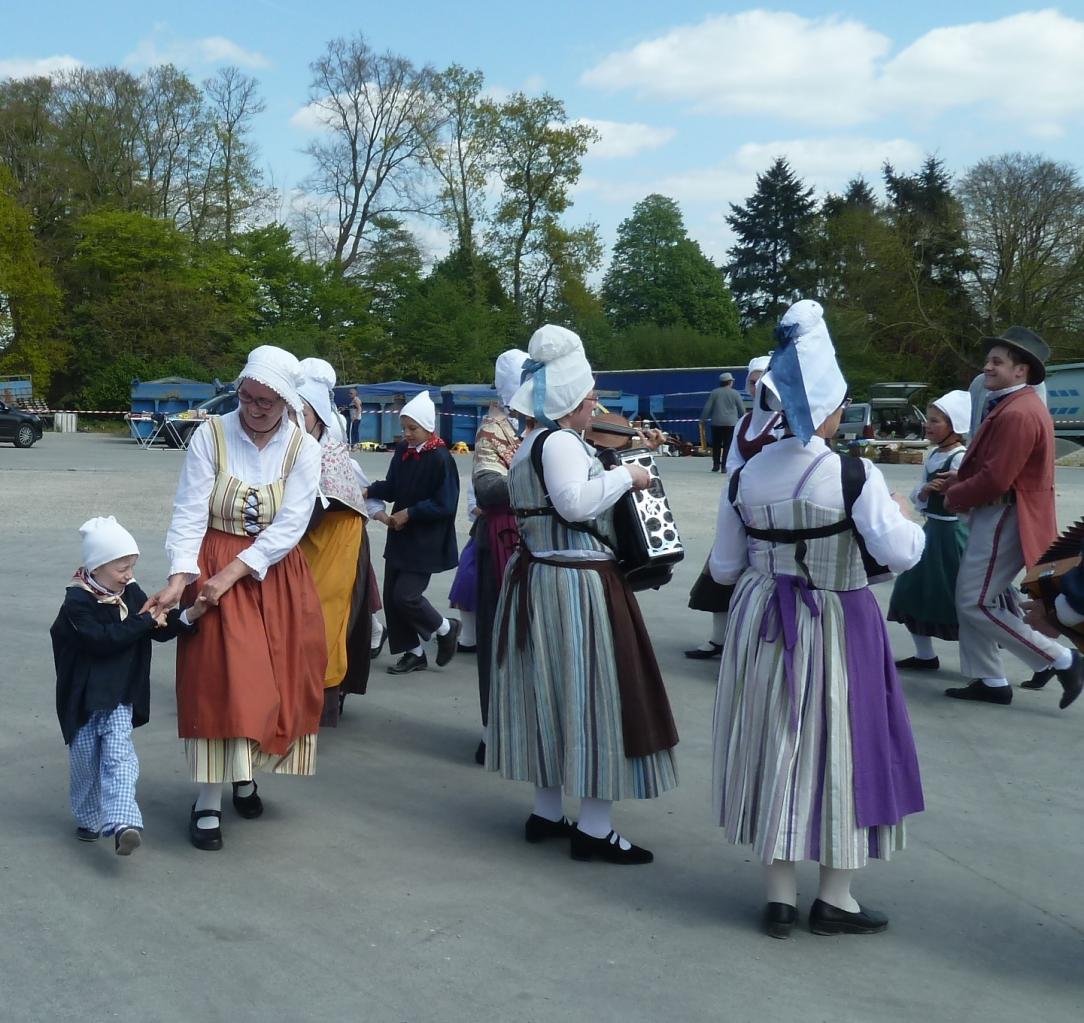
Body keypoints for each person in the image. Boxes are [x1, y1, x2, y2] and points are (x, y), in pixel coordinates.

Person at [709, 300, 926, 938]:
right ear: (830, 408)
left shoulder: (745, 475)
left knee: (772, 744)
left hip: (762, 620)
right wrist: (901, 514)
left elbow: (724, 568)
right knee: (846, 748)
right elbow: (902, 553)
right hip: (841, 620)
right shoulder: (853, 474)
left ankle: (778, 896)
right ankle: (836, 898)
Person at [488, 324, 679, 864]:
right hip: (577, 587)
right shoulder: (564, 442)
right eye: (590, 395)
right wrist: (631, 479)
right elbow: (575, 504)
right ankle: (594, 829)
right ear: (572, 399)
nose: (594, 404)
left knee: (549, 694)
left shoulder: (530, 442)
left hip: (540, 578)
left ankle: (546, 812)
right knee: (596, 699)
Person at [149, 345, 326, 852]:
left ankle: (245, 774)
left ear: (286, 402)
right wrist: (183, 573)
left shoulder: (302, 447)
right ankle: (208, 798)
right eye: (246, 397)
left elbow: (291, 523)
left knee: (274, 680)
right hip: (214, 559)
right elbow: (189, 510)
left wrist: (234, 571)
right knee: (220, 681)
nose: (253, 408)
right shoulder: (211, 434)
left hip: (272, 572)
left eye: (265, 402)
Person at [944, 327, 1084, 708]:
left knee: (975, 601)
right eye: (989, 359)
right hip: (1000, 510)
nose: (986, 366)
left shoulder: (1019, 412)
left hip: (1006, 513)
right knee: (973, 598)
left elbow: (998, 478)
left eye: (996, 362)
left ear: (1021, 371)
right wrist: (962, 479)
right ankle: (989, 679)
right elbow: (995, 467)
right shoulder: (1010, 403)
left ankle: (1062, 659)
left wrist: (955, 494)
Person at [51, 517, 206, 855]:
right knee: (85, 764)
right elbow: (101, 641)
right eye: (122, 568)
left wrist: (189, 614)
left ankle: (123, 822)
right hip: (85, 700)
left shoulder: (129, 592)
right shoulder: (77, 603)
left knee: (120, 757)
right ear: (98, 565)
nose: (129, 574)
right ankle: (89, 818)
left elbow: (154, 629)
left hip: (119, 696)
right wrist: (144, 619)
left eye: (132, 566)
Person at [296, 359, 387, 725]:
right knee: (311, 616)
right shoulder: (299, 438)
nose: (293, 419)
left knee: (325, 616)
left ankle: (324, 699)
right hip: (313, 536)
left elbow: (324, 501)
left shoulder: (327, 444)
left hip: (338, 536)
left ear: (316, 414)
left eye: (299, 413)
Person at [686, 355, 777, 660]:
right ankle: (719, 638)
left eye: (763, 380)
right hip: (739, 506)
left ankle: (750, 643)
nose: (758, 386)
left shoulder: (784, 420)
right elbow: (733, 462)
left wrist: (752, 482)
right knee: (722, 573)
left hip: (770, 512)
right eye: (753, 381)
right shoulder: (745, 421)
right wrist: (740, 488)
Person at [365, 391, 461, 674]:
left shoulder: (441, 458)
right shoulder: (403, 454)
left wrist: (411, 512)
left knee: (406, 595)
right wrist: (369, 490)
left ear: (428, 427)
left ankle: (445, 628)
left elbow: (446, 504)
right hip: (401, 537)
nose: (406, 434)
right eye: (404, 428)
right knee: (392, 596)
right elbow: (394, 487)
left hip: (426, 541)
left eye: (412, 428)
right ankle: (413, 651)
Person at [468, 348, 528, 764]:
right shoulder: (495, 427)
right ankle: (493, 730)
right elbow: (487, 487)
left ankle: (526, 728)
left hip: (535, 541)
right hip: (500, 539)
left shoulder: (542, 425)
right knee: (496, 637)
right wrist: (543, 485)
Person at [888, 391, 972, 670]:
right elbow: (918, 496)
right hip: (932, 532)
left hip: (953, 535)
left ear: (954, 427)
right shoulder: (935, 455)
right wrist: (924, 491)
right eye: (929, 420)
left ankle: (1041, 661)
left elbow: (971, 499)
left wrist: (954, 491)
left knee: (966, 598)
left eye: (935, 421)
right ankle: (925, 655)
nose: (928, 426)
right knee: (910, 590)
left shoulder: (961, 459)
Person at [700, 372, 746, 473]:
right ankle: (724, 466)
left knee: (716, 444)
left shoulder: (714, 393)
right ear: (729, 382)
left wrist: (703, 419)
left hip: (716, 423)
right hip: (731, 423)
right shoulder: (735, 393)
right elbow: (741, 409)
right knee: (727, 445)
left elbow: (708, 407)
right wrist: (744, 419)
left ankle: (716, 465)